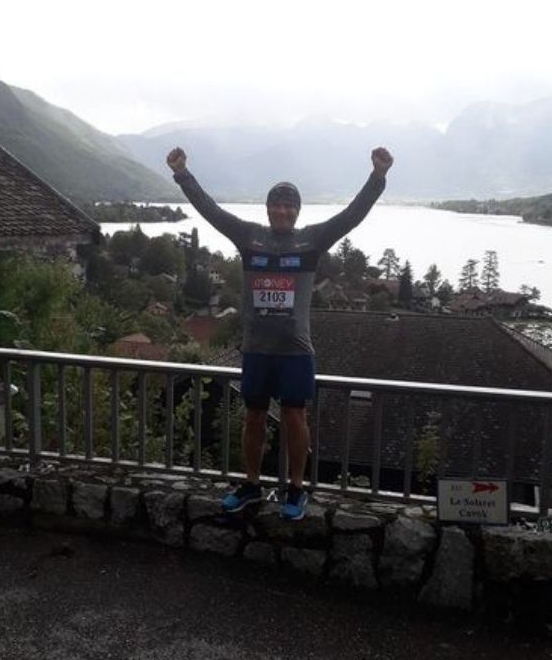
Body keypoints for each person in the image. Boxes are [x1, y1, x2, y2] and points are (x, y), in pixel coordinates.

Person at [165, 145, 393, 520]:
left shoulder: (312, 240)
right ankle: (252, 484)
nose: (282, 211)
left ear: (297, 211)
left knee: (294, 418)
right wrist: (182, 174)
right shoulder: (249, 236)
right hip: (255, 349)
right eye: (276, 205)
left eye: (289, 206)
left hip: (296, 351)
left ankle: (296, 489)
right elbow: (211, 211)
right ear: (268, 209)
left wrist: (377, 177)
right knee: (253, 417)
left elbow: (352, 216)